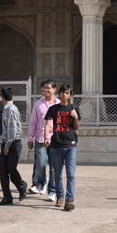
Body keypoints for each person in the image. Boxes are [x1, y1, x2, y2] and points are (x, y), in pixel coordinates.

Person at [44, 83, 80, 211]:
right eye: (62, 92)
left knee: (70, 175)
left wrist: (75, 116)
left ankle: (69, 200)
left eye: (66, 93)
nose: (64, 95)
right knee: (57, 174)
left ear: (70, 95)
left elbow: (76, 127)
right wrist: (46, 138)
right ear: (59, 94)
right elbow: (48, 124)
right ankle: (60, 197)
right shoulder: (53, 109)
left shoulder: (73, 108)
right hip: (57, 145)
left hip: (71, 146)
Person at [0, 87, 28, 205]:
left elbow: (13, 132)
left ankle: (22, 186)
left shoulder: (12, 110)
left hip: (13, 144)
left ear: (2, 97)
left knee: (11, 169)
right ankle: (7, 197)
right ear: (12, 96)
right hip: (7, 143)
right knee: (3, 171)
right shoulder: (6, 109)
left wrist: (7, 146)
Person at [27, 79, 58, 201]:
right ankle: (41, 182)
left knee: (54, 167)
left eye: (48, 88)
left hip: (55, 140)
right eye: (44, 88)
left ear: (54, 89)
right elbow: (33, 122)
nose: (45, 90)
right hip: (40, 138)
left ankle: (52, 191)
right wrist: (30, 137)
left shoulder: (59, 104)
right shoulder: (38, 104)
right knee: (40, 163)